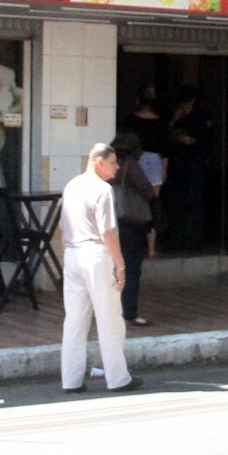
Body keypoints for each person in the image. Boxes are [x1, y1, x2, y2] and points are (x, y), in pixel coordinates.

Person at [58, 143, 145, 394]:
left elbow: (63, 228)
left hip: (73, 254)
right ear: (99, 162)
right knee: (109, 319)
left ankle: (71, 380)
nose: (117, 167)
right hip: (96, 255)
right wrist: (120, 265)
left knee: (74, 321)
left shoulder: (72, 185)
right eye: (113, 162)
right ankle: (118, 378)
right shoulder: (103, 189)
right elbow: (107, 232)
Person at [110, 129, 160, 325]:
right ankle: (129, 314)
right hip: (128, 222)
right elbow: (146, 189)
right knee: (130, 269)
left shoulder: (107, 163)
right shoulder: (130, 164)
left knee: (110, 268)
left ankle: (109, 312)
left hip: (107, 222)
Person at [163, 85, 209, 250]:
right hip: (175, 167)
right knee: (176, 204)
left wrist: (188, 140)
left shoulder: (200, 118)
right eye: (184, 103)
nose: (186, 106)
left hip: (194, 167)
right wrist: (174, 119)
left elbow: (204, 141)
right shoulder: (173, 116)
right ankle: (176, 238)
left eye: (190, 103)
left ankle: (194, 239)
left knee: (194, 203)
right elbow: (162, 136)